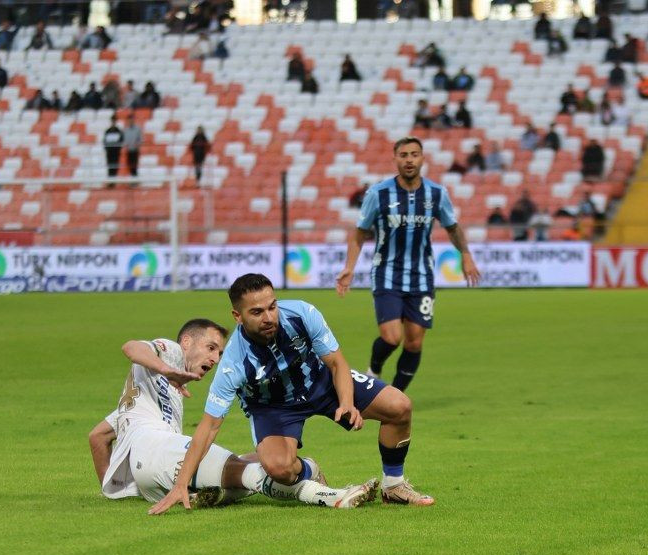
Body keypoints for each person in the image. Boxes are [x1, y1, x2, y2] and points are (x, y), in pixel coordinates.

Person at [148, 275, 421, 515]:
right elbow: (208, 428)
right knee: (280, 469)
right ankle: (309, 470)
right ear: (237, 316)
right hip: (272, 407)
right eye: (257, 312)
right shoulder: (232, 363)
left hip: (321, 382)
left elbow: (337, 363)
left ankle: (394, 485)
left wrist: (347, 403)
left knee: (399, 406)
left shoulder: (302, 313)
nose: (268, 317)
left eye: (272, 306)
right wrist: (181, 483)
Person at [90, 319, 375, 510]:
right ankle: (331, 496)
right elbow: (132, 347)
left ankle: (303, 469)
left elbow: (97, 437)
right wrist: (167, 370)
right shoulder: (172, 352)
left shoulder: (135, 402)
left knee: (239, 464)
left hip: (153, 470)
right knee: (245, 474)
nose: (215, 359)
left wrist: (114, 490)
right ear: (187, 342)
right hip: (157, 448)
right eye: (210, 348)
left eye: (220, 352)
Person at [336, 137, 480, 394]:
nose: (409, 159)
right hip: (386, 274)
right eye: (404, 155)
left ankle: (394, 396)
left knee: (414, 343)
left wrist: (466, 254)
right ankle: (374, 369)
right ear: (395, 160)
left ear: (423, 159)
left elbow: (452, 227)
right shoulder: (378, 193)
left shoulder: (437, 194)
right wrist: (349, 267)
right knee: (392, 337)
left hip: (422, 278)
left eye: (414, 154)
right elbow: (359, 232)